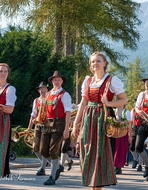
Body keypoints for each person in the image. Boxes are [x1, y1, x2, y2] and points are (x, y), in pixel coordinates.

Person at [72, 51, 127, 189]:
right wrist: (75, 124)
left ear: (105, 63)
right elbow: (83, 104)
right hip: (88, 119)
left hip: (103, 120)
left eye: (98, 61)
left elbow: (123, 100)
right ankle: (93, 185)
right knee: (86, 151)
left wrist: (108, 103)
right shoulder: (88, 81)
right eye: (92, 62)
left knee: (99, 153)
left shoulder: (111, 81)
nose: (95, 63)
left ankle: (97, 187)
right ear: (90, 66)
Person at [39, 70, 71, 185]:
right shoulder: (48, 94)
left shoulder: (65, 94)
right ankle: (57, 167)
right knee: (42, 150)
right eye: (55, 79)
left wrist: (66, 128)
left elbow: (68, 112)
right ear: (52, 81)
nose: (56, 81)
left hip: (59, 123)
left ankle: (52, 177)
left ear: (62, 81)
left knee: (53, 150)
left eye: (58, 79)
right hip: (47, 123)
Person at [27, 82, 50, 176]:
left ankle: (42, 168)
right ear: (39, 90)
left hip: (47, 125)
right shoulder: (36, 100)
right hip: (37, 125)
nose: (43, 90)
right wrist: (29, 128)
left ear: (47, 90)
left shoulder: (49, 99)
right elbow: (33, 115)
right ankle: (45, 162)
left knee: (44, 147)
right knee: (35, 148)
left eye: (45, 89)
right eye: (41, 89)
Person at [0, 63, 17, 178]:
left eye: (5, 71)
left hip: (2, 120)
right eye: (1, 71)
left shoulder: (10, 89)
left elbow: (9, 109)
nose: (3, 73)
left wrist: (3, 108)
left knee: (1, 145)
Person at [114, 104, 132, 174]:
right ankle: (114, 166)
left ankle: (118, 167)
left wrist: (130, 135)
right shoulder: (114, 111)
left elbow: (129, 125)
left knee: (121, 150)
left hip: (123, 134)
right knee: (114, 149)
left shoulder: (127, 112)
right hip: (115, 133)